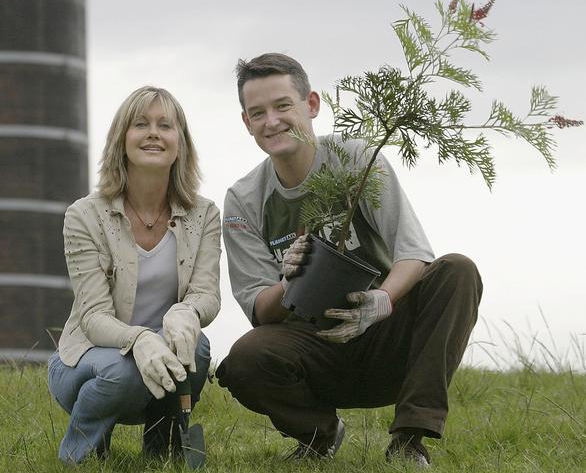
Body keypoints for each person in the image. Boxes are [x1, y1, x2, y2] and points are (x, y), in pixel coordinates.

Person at [216, 53, 482, 467]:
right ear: (246, 123)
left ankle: (410, 437)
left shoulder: (357, 159)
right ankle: (318, 435)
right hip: (315, 349)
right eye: (258, 113)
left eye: (283, 105)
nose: (272, 121)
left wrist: (382, 302)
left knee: (458, 270)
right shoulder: (242, 199)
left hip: (387, 337)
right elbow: (259, 310)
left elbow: (415, 254)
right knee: (245, 358)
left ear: (312, 105)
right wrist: (289, 281)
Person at [47, 86, 221, 464]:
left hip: (165, 351)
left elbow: (207, 294)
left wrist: (185, 313)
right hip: (88, 359)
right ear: (121, 140)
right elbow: (92, 318)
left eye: (165, 125)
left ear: (181, 142)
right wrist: (140, 338)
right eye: (140, 124)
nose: (154, 133)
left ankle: (161, 451)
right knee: (123, 373)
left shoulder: (204, 214)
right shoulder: (84, 216)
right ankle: (82, 453)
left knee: (200, 347)